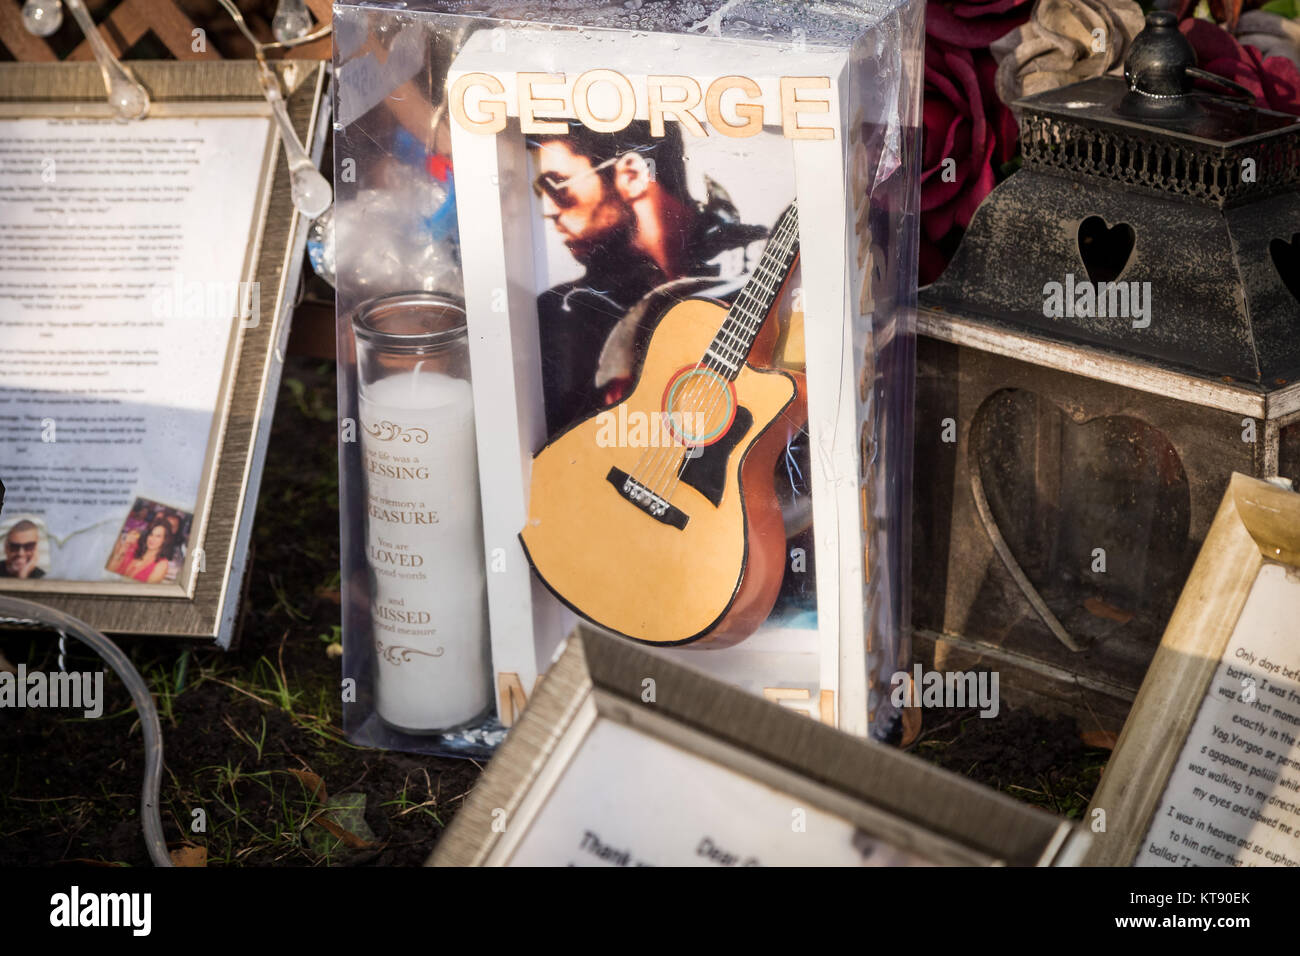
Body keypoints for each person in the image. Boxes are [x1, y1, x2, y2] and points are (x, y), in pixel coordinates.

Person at [529, 119, 768, 437]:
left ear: (632, 174)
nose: (548, 211)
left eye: (557, 187)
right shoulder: (563, 314)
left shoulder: (755, 268)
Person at [117, 519, 174, 584]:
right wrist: (124, 546)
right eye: (151, 534)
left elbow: (147, 590)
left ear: (164, 540)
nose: (152, 539)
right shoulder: (135, 549)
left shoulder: (162, 564)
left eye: (158, 536)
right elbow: (111, 569)